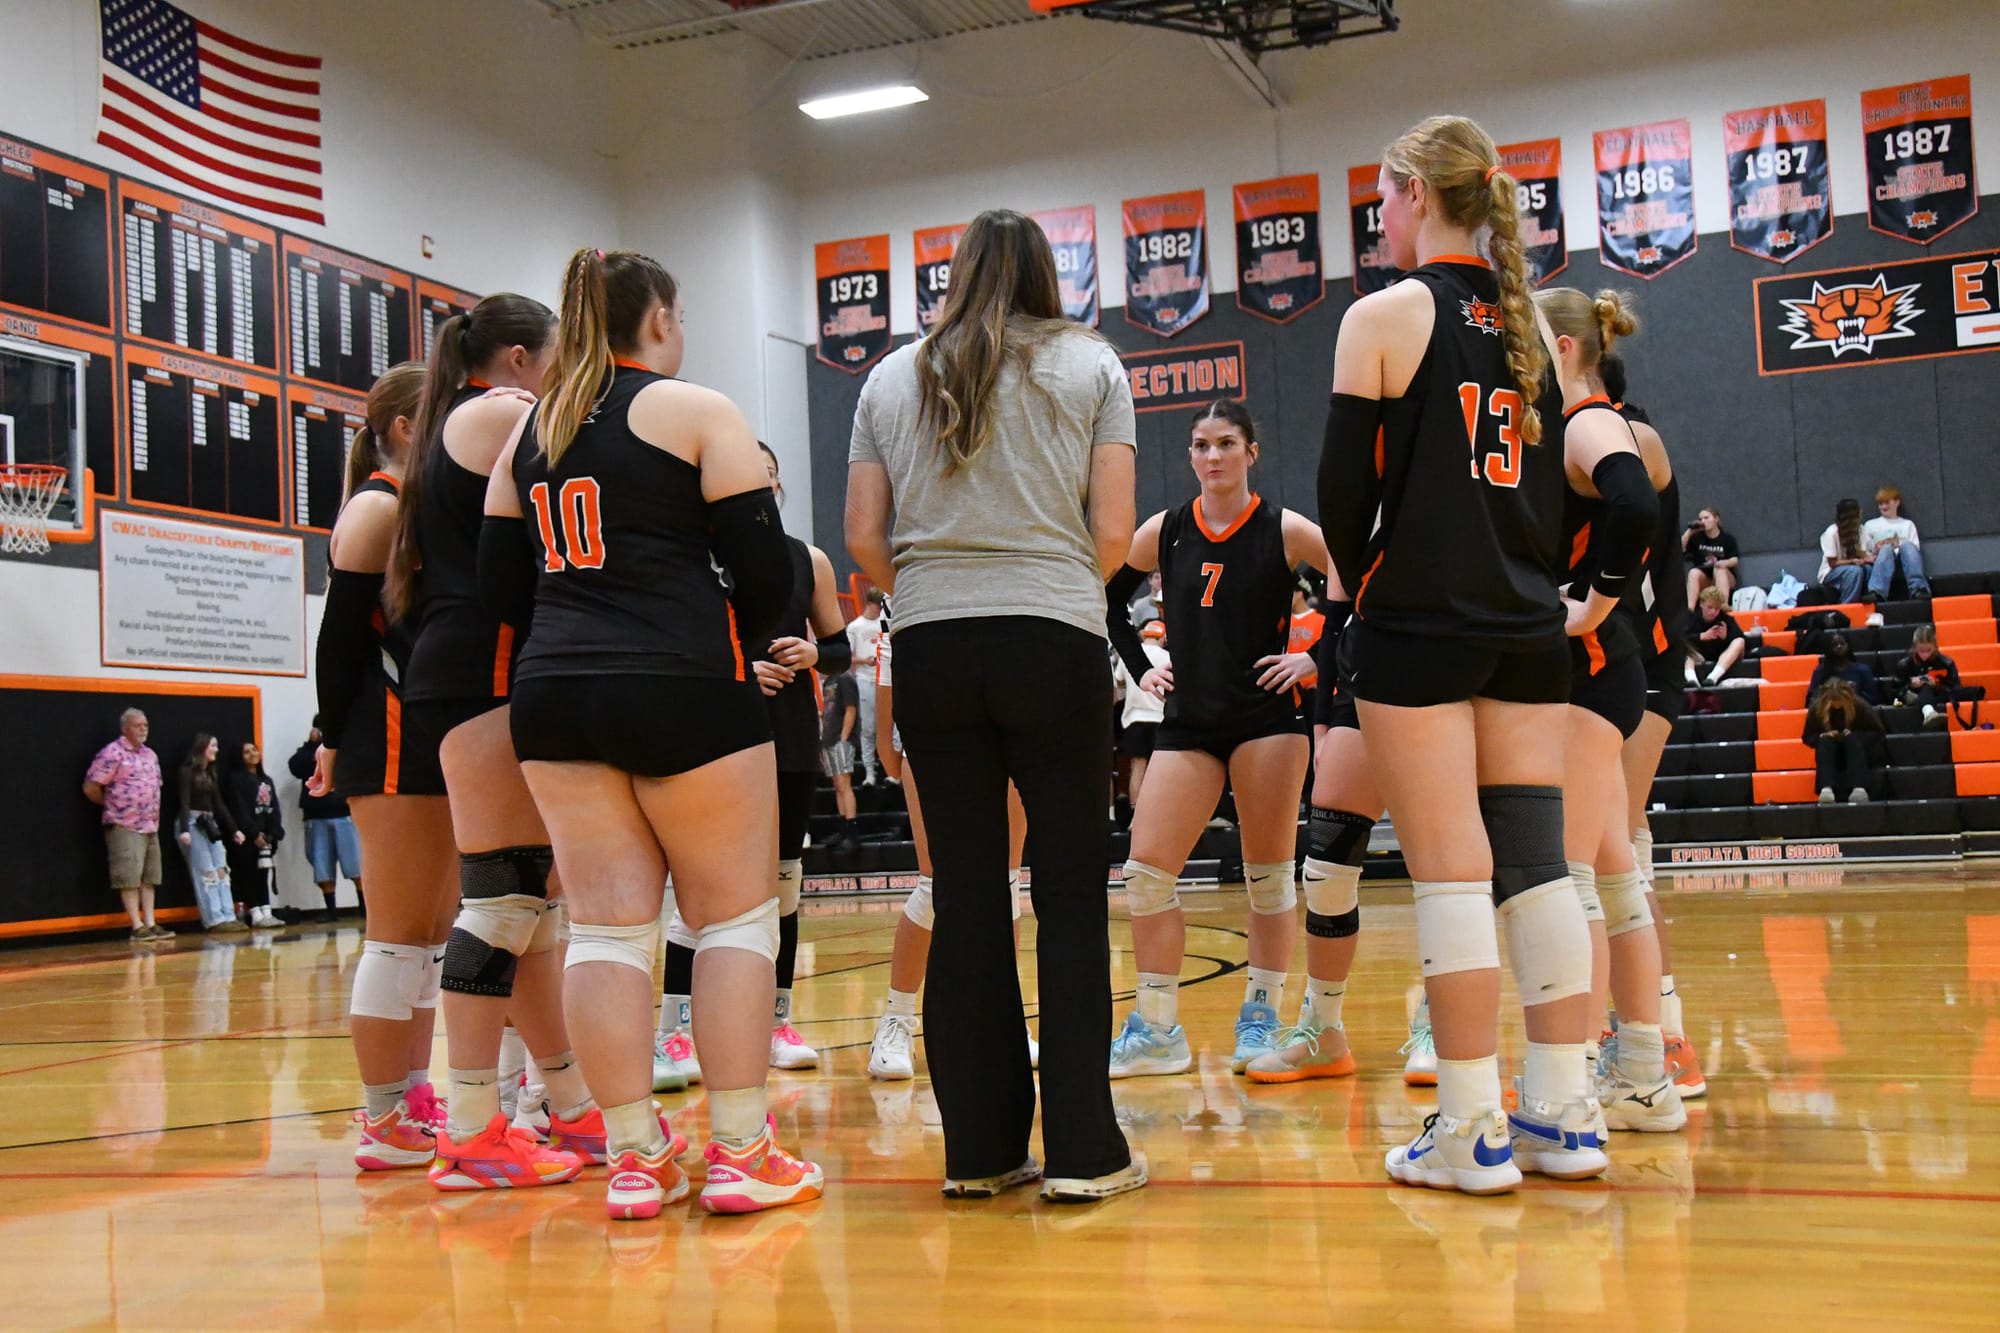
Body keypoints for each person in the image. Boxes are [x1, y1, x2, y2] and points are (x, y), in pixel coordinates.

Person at [489, 246, 819, 1219]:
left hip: (551, 692)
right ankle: (740, 1150)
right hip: (681, 684)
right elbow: (767, 574)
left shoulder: (530, 432)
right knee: (733, 920)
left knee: (603, 929)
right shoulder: (694, 410)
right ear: (660, 320)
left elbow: (502, 589)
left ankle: (632, 1158)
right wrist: (755, 635)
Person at [1317, 114, 1597, 1194]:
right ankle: (1564, 1115)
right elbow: (1561, 491)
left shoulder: (1382, 315)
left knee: (1448, 871)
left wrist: (1360, 588)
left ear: (1412, 193)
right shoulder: (1528, 320)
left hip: (1420, 621)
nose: (1376, 221)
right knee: (1537, 868)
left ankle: (1471, 1128)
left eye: (1381, 201)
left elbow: (1343, 495)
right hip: (1526, 626)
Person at [846, 207, 1140, 1202]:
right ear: (1043, 274)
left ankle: (977, 1152)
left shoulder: (888, 375)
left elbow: (860, 536)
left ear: (959, 270)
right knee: (1067, 896)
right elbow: (1110, 534)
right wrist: (1046, 582)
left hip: (930, 644)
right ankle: (1084, 1153)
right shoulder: (1091, 362)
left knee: (965, 898)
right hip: (1053, 637)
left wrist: (933, 591)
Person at [388, 293, 602, 1193]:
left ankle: (572, 1103)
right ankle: (472, 1128)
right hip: (487, 667)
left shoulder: (459, 420)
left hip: (469, 666)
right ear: (522, 357)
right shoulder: (503, 413)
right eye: (559, 355)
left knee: (530, 905)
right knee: (505, 899)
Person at [1102, 399, 1329, 1079]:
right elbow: (1104, 600)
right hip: (1190, 722)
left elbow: (1356, 588)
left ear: (1251, 452)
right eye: (1201, 444)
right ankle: (1157, 1027)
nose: (1212, 455)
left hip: (1267, 721)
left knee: (1267, 880)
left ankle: (1260, 1012)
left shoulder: (1285, 529)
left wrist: (1317, 658)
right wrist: (1143, 668)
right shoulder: (1164, 530)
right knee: (1145, 873)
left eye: (1227, 442)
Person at [307, 362, 482, 1175]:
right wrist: (327, 736)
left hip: (426, 731)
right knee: (397, 934)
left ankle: (414, 1093)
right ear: (410, 428)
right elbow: (340, 642)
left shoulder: (415, 508)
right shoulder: (376, 507)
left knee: (430, 935)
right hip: (385, 731)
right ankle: (381, 1116)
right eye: (444, 413)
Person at [655, 441, 856, 1082]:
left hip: (791, 734)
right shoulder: (692, 555)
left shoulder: (808, 559)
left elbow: (838, 649)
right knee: (703, 887)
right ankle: (675, 1031)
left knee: (784, 883)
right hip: (715, 730)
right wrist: (739, 671)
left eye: (770, 478)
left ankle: (776, 1020)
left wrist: (811, 653)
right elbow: (675, 646)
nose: (761, 489)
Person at [1538, 285, 1682, 1136]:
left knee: (1572, 881)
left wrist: (1591, 602)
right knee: (1614, 872)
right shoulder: (1595, 423)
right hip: (1608, 672)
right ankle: (1640, 1073)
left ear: (1560, 350)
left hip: (1590, 669)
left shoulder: (1586, 420)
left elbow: (1632, 500)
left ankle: (1574, 1095)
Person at [861, 613, 1039, 1083]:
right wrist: (886, 739)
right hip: (935, 729)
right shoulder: (919, 566)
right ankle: (897, 1019)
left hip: (1013, 724)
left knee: (1005, 883)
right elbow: (891, 642)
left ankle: (1005, 1022)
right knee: (935, 882)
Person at [1604, 353, 1706, 1102]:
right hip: (1617, 661)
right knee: (1616, 842)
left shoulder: (1629, 440)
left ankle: (1662, 1033)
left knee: (1620, 844)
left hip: (1643, 658)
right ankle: (1641, 1027)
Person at [1244, 576, 1373, 1087]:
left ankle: (1435, 1024)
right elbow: (1338, 609)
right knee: (1325, 871)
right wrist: (1321, 720)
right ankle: (1323, 1030)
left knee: (1443, 875)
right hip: (1366, 676)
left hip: (1453, 670)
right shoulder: (1358, 502)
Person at [83, 708, 168, 940]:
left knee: (150, 877)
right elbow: (91, 786)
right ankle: (136, 925)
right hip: (125, 824)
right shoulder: (112, 753)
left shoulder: (151, 755)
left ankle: (151, 922)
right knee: (129, 876)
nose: (143, 729)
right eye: (137, 725)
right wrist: (114, 807)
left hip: (150, 824)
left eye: (146, 725)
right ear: (125, 728)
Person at [290, 719, 362, 921]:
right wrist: (311, 744)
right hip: (316, 816)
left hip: (343, 813)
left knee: (355, 865)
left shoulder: (345, 746)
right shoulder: (308, 752)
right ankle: (331, 910)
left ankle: (364, 908)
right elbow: (295, 767)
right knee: (322, 866)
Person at [177, 734, 246, 932]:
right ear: (202, 748)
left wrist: (234, 829)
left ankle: (228, 914)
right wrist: (184, 829)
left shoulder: (210, 774)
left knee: (221, 869)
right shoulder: (187, 772)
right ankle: (214, 918)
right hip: (193, 821)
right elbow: (184, 802)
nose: (216, 750)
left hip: (209, 822)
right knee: (206, 871)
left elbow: (219, 804)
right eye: (213, 746)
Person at [223, 741, 285, 928]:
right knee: (249, 874)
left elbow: (274, 809)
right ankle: (255, 912)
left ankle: (267, 910)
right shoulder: (236, 780)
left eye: (254, 750)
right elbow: (239, 809)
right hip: (250, 837)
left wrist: (273, 833)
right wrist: (253, 833)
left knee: (263, 873)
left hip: (266, 837)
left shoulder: (266, 781)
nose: (252, 754)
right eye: (246, 752)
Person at [1113, 620, 1170, 806]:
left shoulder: (1129, 657)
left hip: (1134, 719)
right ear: (1163, 637)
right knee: (1159, 772)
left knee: (1137, 767)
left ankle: (1135, 819)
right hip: (1160, 719)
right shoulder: (1167, 657)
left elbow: (1118, 682)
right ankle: (1158, 815)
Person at [1803, 678, 1884, 803]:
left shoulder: (1860, 705)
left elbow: (1877, 733)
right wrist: (1822, 736)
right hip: (1831, 754)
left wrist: (1855, 735)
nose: (1836, 706)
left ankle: (1859, 788)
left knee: (1853, 739)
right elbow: (1807, 737)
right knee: (1825, 741)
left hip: (1858, 751)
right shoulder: (1816, 708)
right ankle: (1826, 789)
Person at [844, 588, 887, 785]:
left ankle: (891, 772)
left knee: (890, 725)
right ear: (870, 604)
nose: (880, 609)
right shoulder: (855, 627)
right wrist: (864, 660)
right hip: (865, 678)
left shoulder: (884, 622)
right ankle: (870, 772)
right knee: (869, 727)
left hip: (885, 677)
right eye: (878, 605)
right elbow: (847, 656)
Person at [1863, 486, 1931, 600]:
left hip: (1904, 562)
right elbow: (1865, 551)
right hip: (1882, 561)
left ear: (1897, 502)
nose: (1883, 506)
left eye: (1887, 502)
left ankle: (1918, 589)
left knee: (1908, 546)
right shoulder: (1870, 525)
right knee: (1885, 550)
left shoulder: (1907, 524)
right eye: (1881, 503)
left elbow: (1914, 551)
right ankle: (1876, 591)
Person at [819, 668, 861, 847]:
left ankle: (852, 832)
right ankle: (843, 827)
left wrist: (843, 739)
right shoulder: (828, 682)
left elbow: (851, 710)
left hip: (841, 739)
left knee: (844, 784)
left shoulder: (845, 679)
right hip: (829, 739)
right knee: (837, 786)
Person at [1891, 625, 1961, 728]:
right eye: (1921, 651)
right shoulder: (1905, 665)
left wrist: (1937, 685)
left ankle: (1929, 711)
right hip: (1912, 697)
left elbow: (1956, 689)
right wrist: (1910, 685)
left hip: (1938, 697)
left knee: (1926, 687)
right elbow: (1894, 690)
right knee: (1924, 687)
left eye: (1928, 650)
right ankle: (1929, 712)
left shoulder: (1946, 663)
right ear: (1914, 647)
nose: (1925, 655)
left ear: (1935, 646)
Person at [1686, 587, 1746, 684]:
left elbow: (1742, 640)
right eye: (1710, 607)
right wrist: (1702, 636)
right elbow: (1680, 638)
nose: (1713, 612)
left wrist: (1726, 637)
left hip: (1723, 656)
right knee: (1683, 646)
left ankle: (1713, 678)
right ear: (1701, 604)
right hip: (1699, 655)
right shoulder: (1691, 619)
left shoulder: (1726, 619)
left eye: (1717, 608)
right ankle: (1692, 680)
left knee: (1739, 641)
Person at [1817, 498, 1871, 604]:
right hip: (1830, 572)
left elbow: (1863, 554)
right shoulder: (1831, 532)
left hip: (1853, 565)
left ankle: (1866, 599)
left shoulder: (1861, 530)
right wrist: (1852, 561)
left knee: (1868, 568)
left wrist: (1870, 558)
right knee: (1854, 571)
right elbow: (1833, 563)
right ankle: (1847, 605)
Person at [1683, 507, 1737, 610]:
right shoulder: (1697, 538)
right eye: (1701, 519)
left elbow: (1735, 559)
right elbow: (1680, 549)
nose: (1703, 521)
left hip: (1725, 577)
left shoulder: (1727, 539)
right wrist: (1690, 532)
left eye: (1706, 518)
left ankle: (1723, 606)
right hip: (1705, 578)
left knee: (1719, 569)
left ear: (1716, 519)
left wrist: (1725, 562)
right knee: (1693, 572)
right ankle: (1690, 608)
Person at [1806, 633, 1878, 707]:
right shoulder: (1821, 671)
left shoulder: (1863, 670)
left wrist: (1856, 693)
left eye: (1842, 643)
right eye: (1835, 645)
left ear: (1848, 646)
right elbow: (1811, 700)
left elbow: (1873, 700)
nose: (1839, 647)